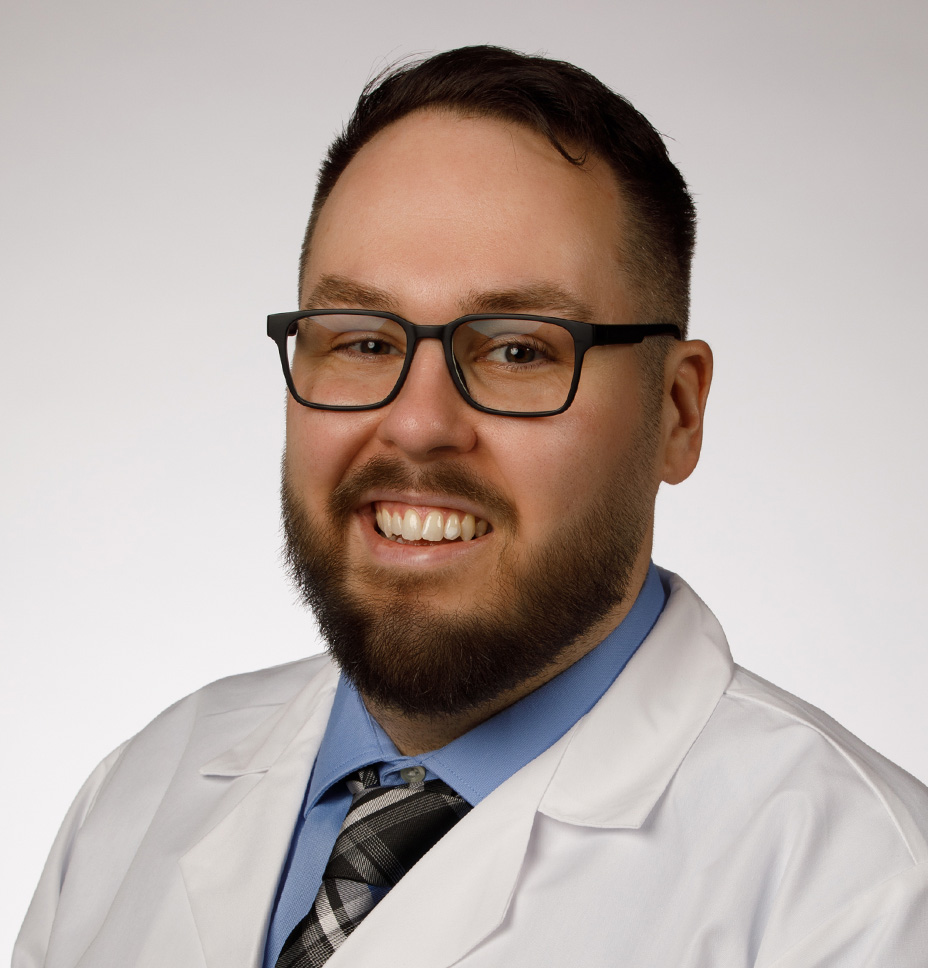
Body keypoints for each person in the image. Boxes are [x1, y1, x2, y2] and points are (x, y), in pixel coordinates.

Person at [14, 45, 928, 968]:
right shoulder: (141, 793)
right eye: (364, 340)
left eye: (520, 351)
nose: (415, 426)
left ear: (676, 412)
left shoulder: (865, 895)